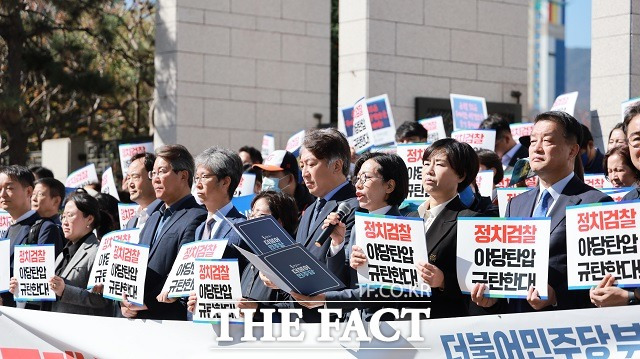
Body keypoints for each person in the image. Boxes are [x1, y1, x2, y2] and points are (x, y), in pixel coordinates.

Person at [471, 111, 612, 314]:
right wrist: (492, 298)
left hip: (564, 328)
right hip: (516, 328)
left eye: (547, 141)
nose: (536, 148)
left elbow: (600, 280)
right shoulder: (515, 204)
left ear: (572, 151)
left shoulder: (595, 203)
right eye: (533, 141)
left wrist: (555, 297)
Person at [290, 152, 409, 321]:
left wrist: (326, 300)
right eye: (357, 179)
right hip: (350, 326)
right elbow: (340, 281)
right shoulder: (357, 227)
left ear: (389, 186)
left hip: (384, 327)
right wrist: (337, 244)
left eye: (366, 178)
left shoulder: (401, 230)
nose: (358, 186)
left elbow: (384, 292)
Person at [260, 128, 359, 323]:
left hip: (335, 323)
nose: (304, 173)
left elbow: (347, 275)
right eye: (302, 165)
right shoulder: (311, 209)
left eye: (311, 164)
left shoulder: (354, 207)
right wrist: (280, 278)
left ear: (337, 165)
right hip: (303, 320)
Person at [120, 144, 207, 320]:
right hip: (138, 320)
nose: (156, 179)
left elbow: (182, 271)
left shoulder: (196, 216)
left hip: (168, 321)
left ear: (183, 176)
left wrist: (147, 302)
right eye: (154, 173)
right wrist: (124, 302)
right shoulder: (152, 217)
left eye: (162, 172)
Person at [10, 191, 113, 315]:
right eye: (63, 216)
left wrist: (65, 290)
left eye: (70, 215)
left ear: (89, 219)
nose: (64, 221)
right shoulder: (63, 253)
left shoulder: (98, 252)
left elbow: (103, 300)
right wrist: (22, 288)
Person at [0, 165, 64, 308]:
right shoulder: (6, 231)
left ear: (29, 191)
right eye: (0, 189)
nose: (3, 194)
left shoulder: (44, 228)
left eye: (9, 188)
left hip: (27, 320)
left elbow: (45, 285)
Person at [191, 146, 246, 264]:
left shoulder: (242, 227)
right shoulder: (200, 229)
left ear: (225, 182)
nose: (198, 185)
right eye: (196, 178)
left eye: (204, 177)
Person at [253, 150, 315, 219]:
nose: (265, 180)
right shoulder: (259, 206)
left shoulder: (310, 211)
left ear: (290, 179)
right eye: (264, 175)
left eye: (271, 175)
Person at [125, 152, 163, 229]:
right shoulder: (131, 223)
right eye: (128, 178)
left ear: (153, 176)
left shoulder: (166, 215)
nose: (130, 184)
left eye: (135, 177)